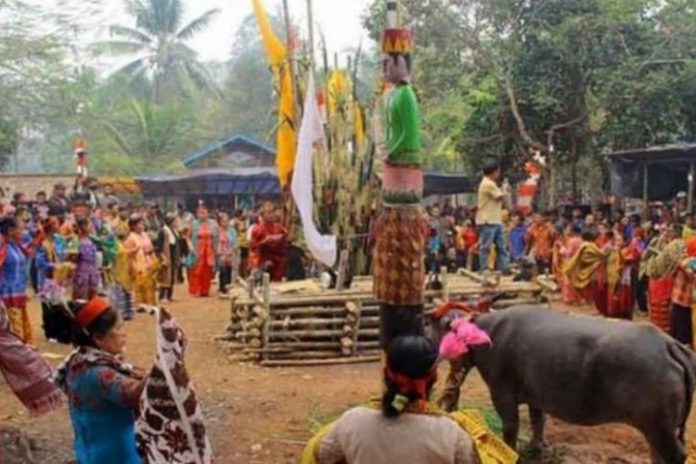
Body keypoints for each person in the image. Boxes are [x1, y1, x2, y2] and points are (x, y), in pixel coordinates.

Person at [301, 336, 483, 464]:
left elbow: (320, 456)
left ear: (386, 374)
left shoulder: (352, 421)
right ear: (433, 378)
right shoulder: (450, 433)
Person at [53, 297, 147, 464]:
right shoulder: (97, 373)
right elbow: (132, 395)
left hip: (91, 452)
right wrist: (162, 368)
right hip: (114, 457)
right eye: (118, 328)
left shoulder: (78, 360)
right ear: (98, 338)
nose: (124, 332)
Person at [0, 216, 39, 343]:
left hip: (18, 293)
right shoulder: (2, 246)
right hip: (6, 294)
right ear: (11, 230)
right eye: (21, 229)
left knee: (19, 328)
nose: (23, 232)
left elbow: (30, 251)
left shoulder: (16, 246)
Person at [644, 224, 685, 332]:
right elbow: (646, 256)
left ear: (677, 233)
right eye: (665, 230)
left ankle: (667, 331)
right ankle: (656, 329)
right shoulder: (659, 242)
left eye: (669, 231)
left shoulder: (679, 245)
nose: (666, 233)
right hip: (656, 279)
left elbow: (676, 262)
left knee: (667, 307)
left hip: (668, 280)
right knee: (655, 304)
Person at [475, 163, 510, 273]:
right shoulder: (488, 184)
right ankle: (484, 268)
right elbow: (500, 197)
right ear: (494, 172)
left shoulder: (490, 183)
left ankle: (504, 267)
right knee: (486, 246)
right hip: (488, 220)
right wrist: (505, 189)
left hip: (495, 219)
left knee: (501, 246)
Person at [125, 215, 157, 310]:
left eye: (142, 223)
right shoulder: (131, 237)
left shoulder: (145, 235)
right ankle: (141, 304)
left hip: (148, 261)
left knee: (150, 284)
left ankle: (150, 302)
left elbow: (151, 247)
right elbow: (127, 253)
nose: (142, 225)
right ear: (133, 226)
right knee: (140, 285)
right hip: (137, 262)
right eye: (140, 223)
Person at [186, 205, 219, 297]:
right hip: (197, 248)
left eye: (204, 213)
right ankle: (196, 290)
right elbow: (187, 238)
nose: (202, 215)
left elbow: (216, 238)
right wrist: (191, 248)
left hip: (209, 250)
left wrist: (216, 249)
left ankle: (205, 290)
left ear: (207, 213)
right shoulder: (193, 224)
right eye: (200, 213)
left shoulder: (213, 223)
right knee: (196, 270)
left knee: (207, 271)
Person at [250, 206, 288, 282]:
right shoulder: (257, 229)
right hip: (264, 262)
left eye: (272, 212)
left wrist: (281, 238)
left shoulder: (280, 227)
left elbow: (286, 241)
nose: (271, 215)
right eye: (268, 213)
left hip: (279, 262)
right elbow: (252, 247)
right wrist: (264, 241)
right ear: (263, 215)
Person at [670, 237, 696, 347]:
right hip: (682, 299)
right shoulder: (687, 261)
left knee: (681, 330)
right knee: (680, 329)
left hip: (684, 300)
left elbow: (691, 276)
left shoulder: (688, 262)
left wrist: (681, 265)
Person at [606, 232, 634, 320]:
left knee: (622, 295)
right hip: (613, 276)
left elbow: (625, 261)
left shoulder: (628, 250)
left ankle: (622, 313)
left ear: (625, 242)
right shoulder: (614, 250)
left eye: (619, 240)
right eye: (616, 240)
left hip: (623, 276)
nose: (616, 242)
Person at [71, 216, 100, 301]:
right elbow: (72, 257)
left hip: (92, 270)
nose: (91, 227)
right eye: (89, 225)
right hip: (82, 271)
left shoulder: (91, 239)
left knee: (93, 297)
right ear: (83, 227)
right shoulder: (76, 240)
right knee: (81, 298)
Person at [155, 213, 180, 303]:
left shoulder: (174, 231)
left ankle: (169, 295)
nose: (176, 223)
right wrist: (163, 257)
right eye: (175, 221)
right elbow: (159, 247)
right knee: (165, 277)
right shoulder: (163, 232)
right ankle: (162, 296)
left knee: (172, 276)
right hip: (166, 255)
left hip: (173, 255)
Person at [217, 212, 237, 295]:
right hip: (221, 253)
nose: (225, 223)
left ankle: (228, 287)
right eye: (223, 221)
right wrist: (219, 252)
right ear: (220, 222)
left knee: (229, 270)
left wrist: (233, 251)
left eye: (227, 221)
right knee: (222, 271)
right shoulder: (218, 231)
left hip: (230, 253)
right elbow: (217, 242)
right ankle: (222, 288)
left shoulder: (232, 230)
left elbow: (235, 241)